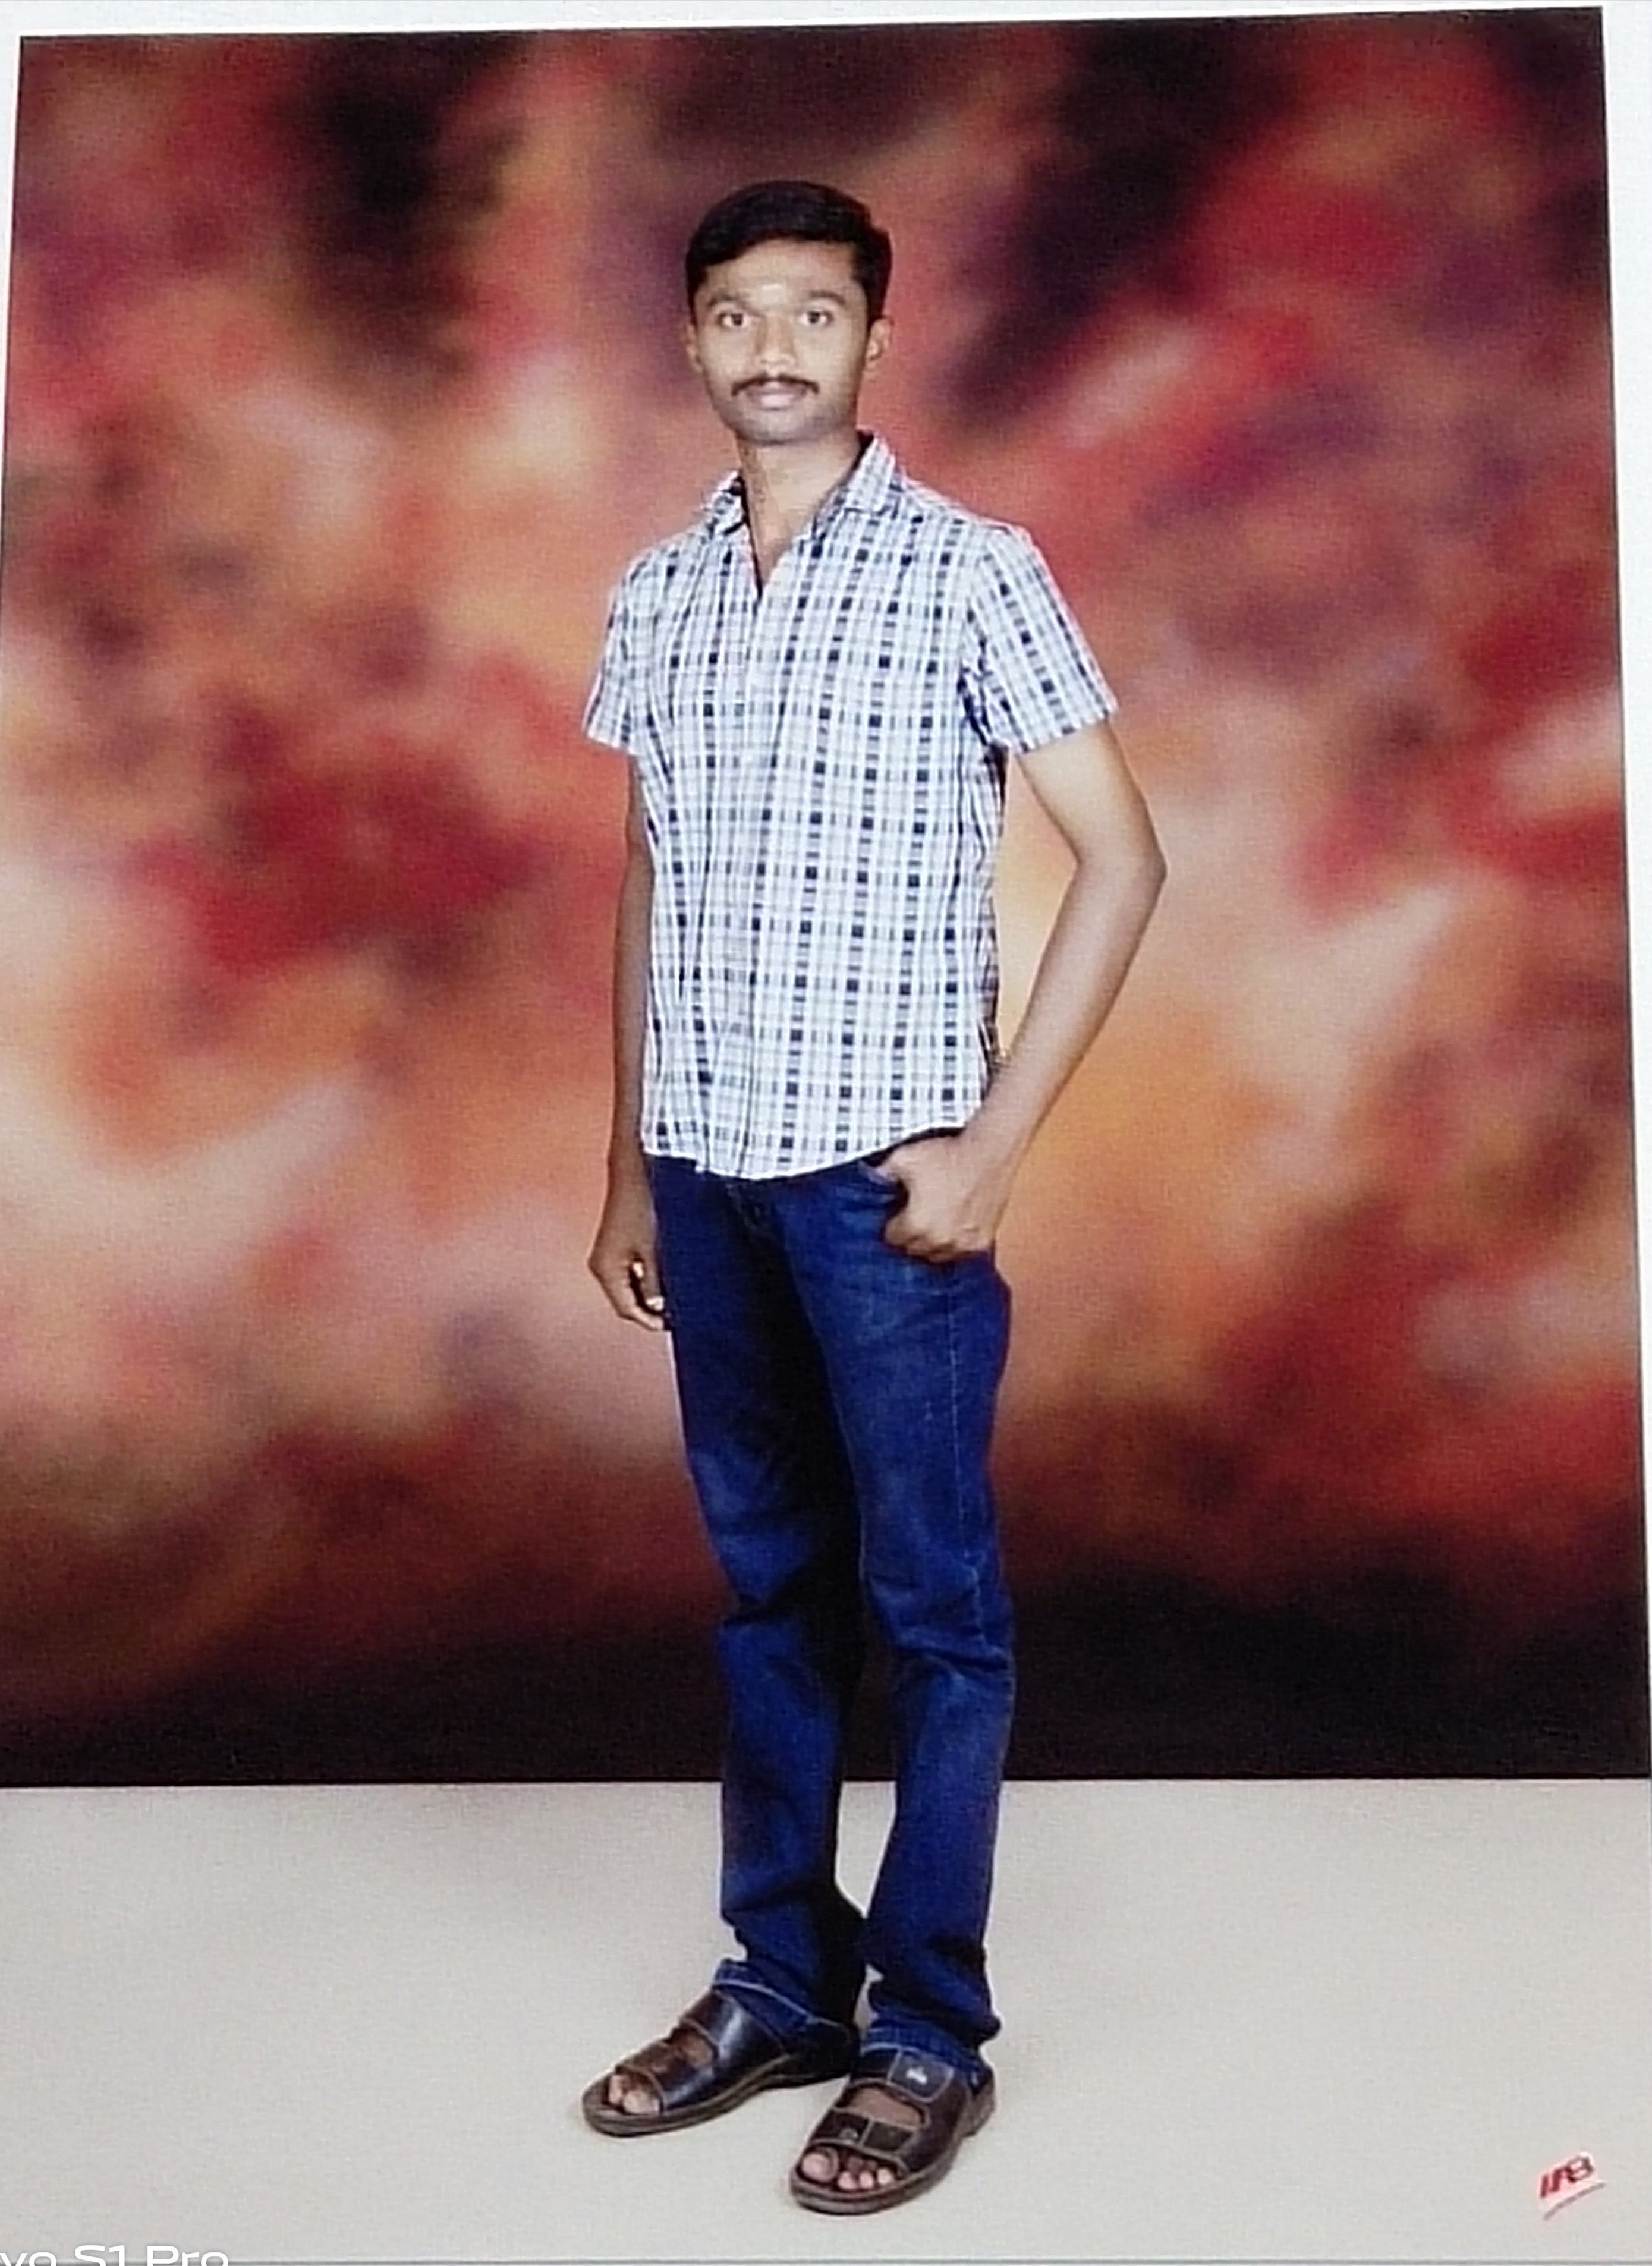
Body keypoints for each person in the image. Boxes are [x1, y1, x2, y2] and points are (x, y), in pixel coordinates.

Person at [579, 178, 1164, 2214]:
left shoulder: (969, 570)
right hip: (710, 1174)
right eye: (736, 313)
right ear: (691, 339)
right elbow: (650, 872)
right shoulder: (655, 590)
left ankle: (926, 2029)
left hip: (882, 1190)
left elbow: (1124, 858)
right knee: (769, 1594)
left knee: (930, 1612)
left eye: (812, 315)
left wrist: (995, 1144)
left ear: (873, 342)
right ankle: (778, 1980)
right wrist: (629, 1155)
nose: (772, 349)